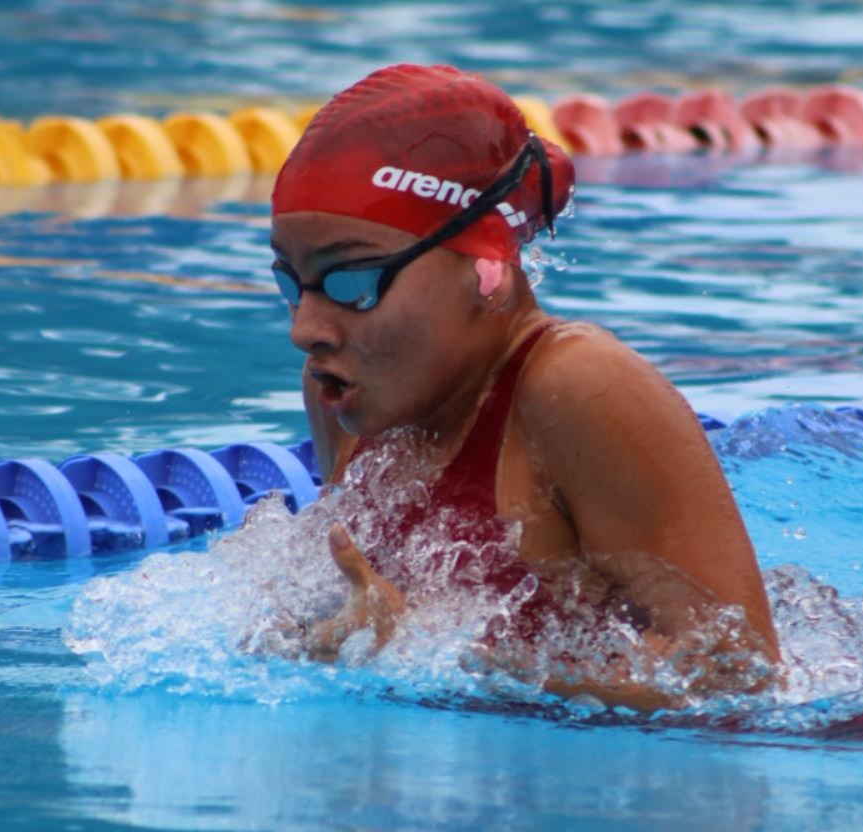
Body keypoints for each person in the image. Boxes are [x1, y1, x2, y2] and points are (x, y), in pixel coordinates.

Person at [268, 64, 780, 711]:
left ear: (486, 268)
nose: (306, 328)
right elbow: (364, 610)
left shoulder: (577, 387)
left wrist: (432, 658)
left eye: (352, 282)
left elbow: (741, 681)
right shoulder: (342, 388)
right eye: (292, 283)